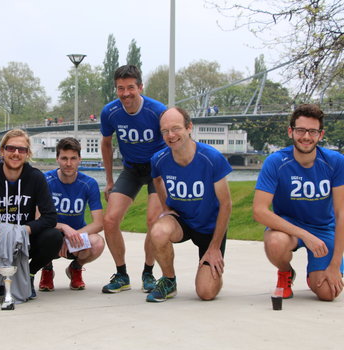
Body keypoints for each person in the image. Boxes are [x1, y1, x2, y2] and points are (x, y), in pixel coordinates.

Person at [253, 104, 344, 301]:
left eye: (312, 131)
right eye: (301, 130)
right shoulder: (275, 162)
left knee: (328, 293)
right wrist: (304, 235)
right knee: (275, 242)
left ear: (321, 135)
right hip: (289, 228)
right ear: (290, 132)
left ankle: (315, 272)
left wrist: (335, 265)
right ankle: (285, 272)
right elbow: (259, 211)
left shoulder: (335, 162)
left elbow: (341, 214)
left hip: (323, 229)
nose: (306, 136)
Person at [0, 129, 62, 305]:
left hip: (21, 243)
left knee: (54, 237)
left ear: (27, 154)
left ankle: (29, 273)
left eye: (22, 150)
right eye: (11, 148)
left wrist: (23, 229)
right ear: (2, 151)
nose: (16, 153)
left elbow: (50, 217)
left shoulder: (35, 178)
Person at [147, 107, 232, 302]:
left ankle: (211, 270)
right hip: (182, 222)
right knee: (158, 231)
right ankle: (169, 281)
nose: (171, 135)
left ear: (189, 128)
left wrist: (215, 247)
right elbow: (157, 180)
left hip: (210, 228)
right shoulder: (159, 159)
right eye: (165, 131)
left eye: (176, 128)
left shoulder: (212, 158)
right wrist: (167, 209)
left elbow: (226, 205)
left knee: (206, 292)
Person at [100, 64, 167, 294]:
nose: (126, 93)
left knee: (152, 220)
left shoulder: (157, 111)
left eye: (130, 87)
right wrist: (109, 180)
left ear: (140, 87)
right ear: (116, 90)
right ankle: (121, 274)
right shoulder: (110, 112)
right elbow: (106, 143)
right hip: (131, 169)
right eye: (120, 88)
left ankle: (148, 272)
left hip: (156, 170)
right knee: (109, 220)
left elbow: (172, 143)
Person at [40, 137, 105, 291]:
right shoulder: (45, 180)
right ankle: (47, 269)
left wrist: (72, 236)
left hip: (76, 238)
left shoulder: (89, 183)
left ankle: (75, 268)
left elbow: (98, 223)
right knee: (35, 235)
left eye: (73, 158)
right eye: (64, 158)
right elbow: (38, 218)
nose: (68, 163)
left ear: (79, 160)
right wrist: (62, 229)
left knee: (97, 243)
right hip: (50, 235)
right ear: (57, 159)